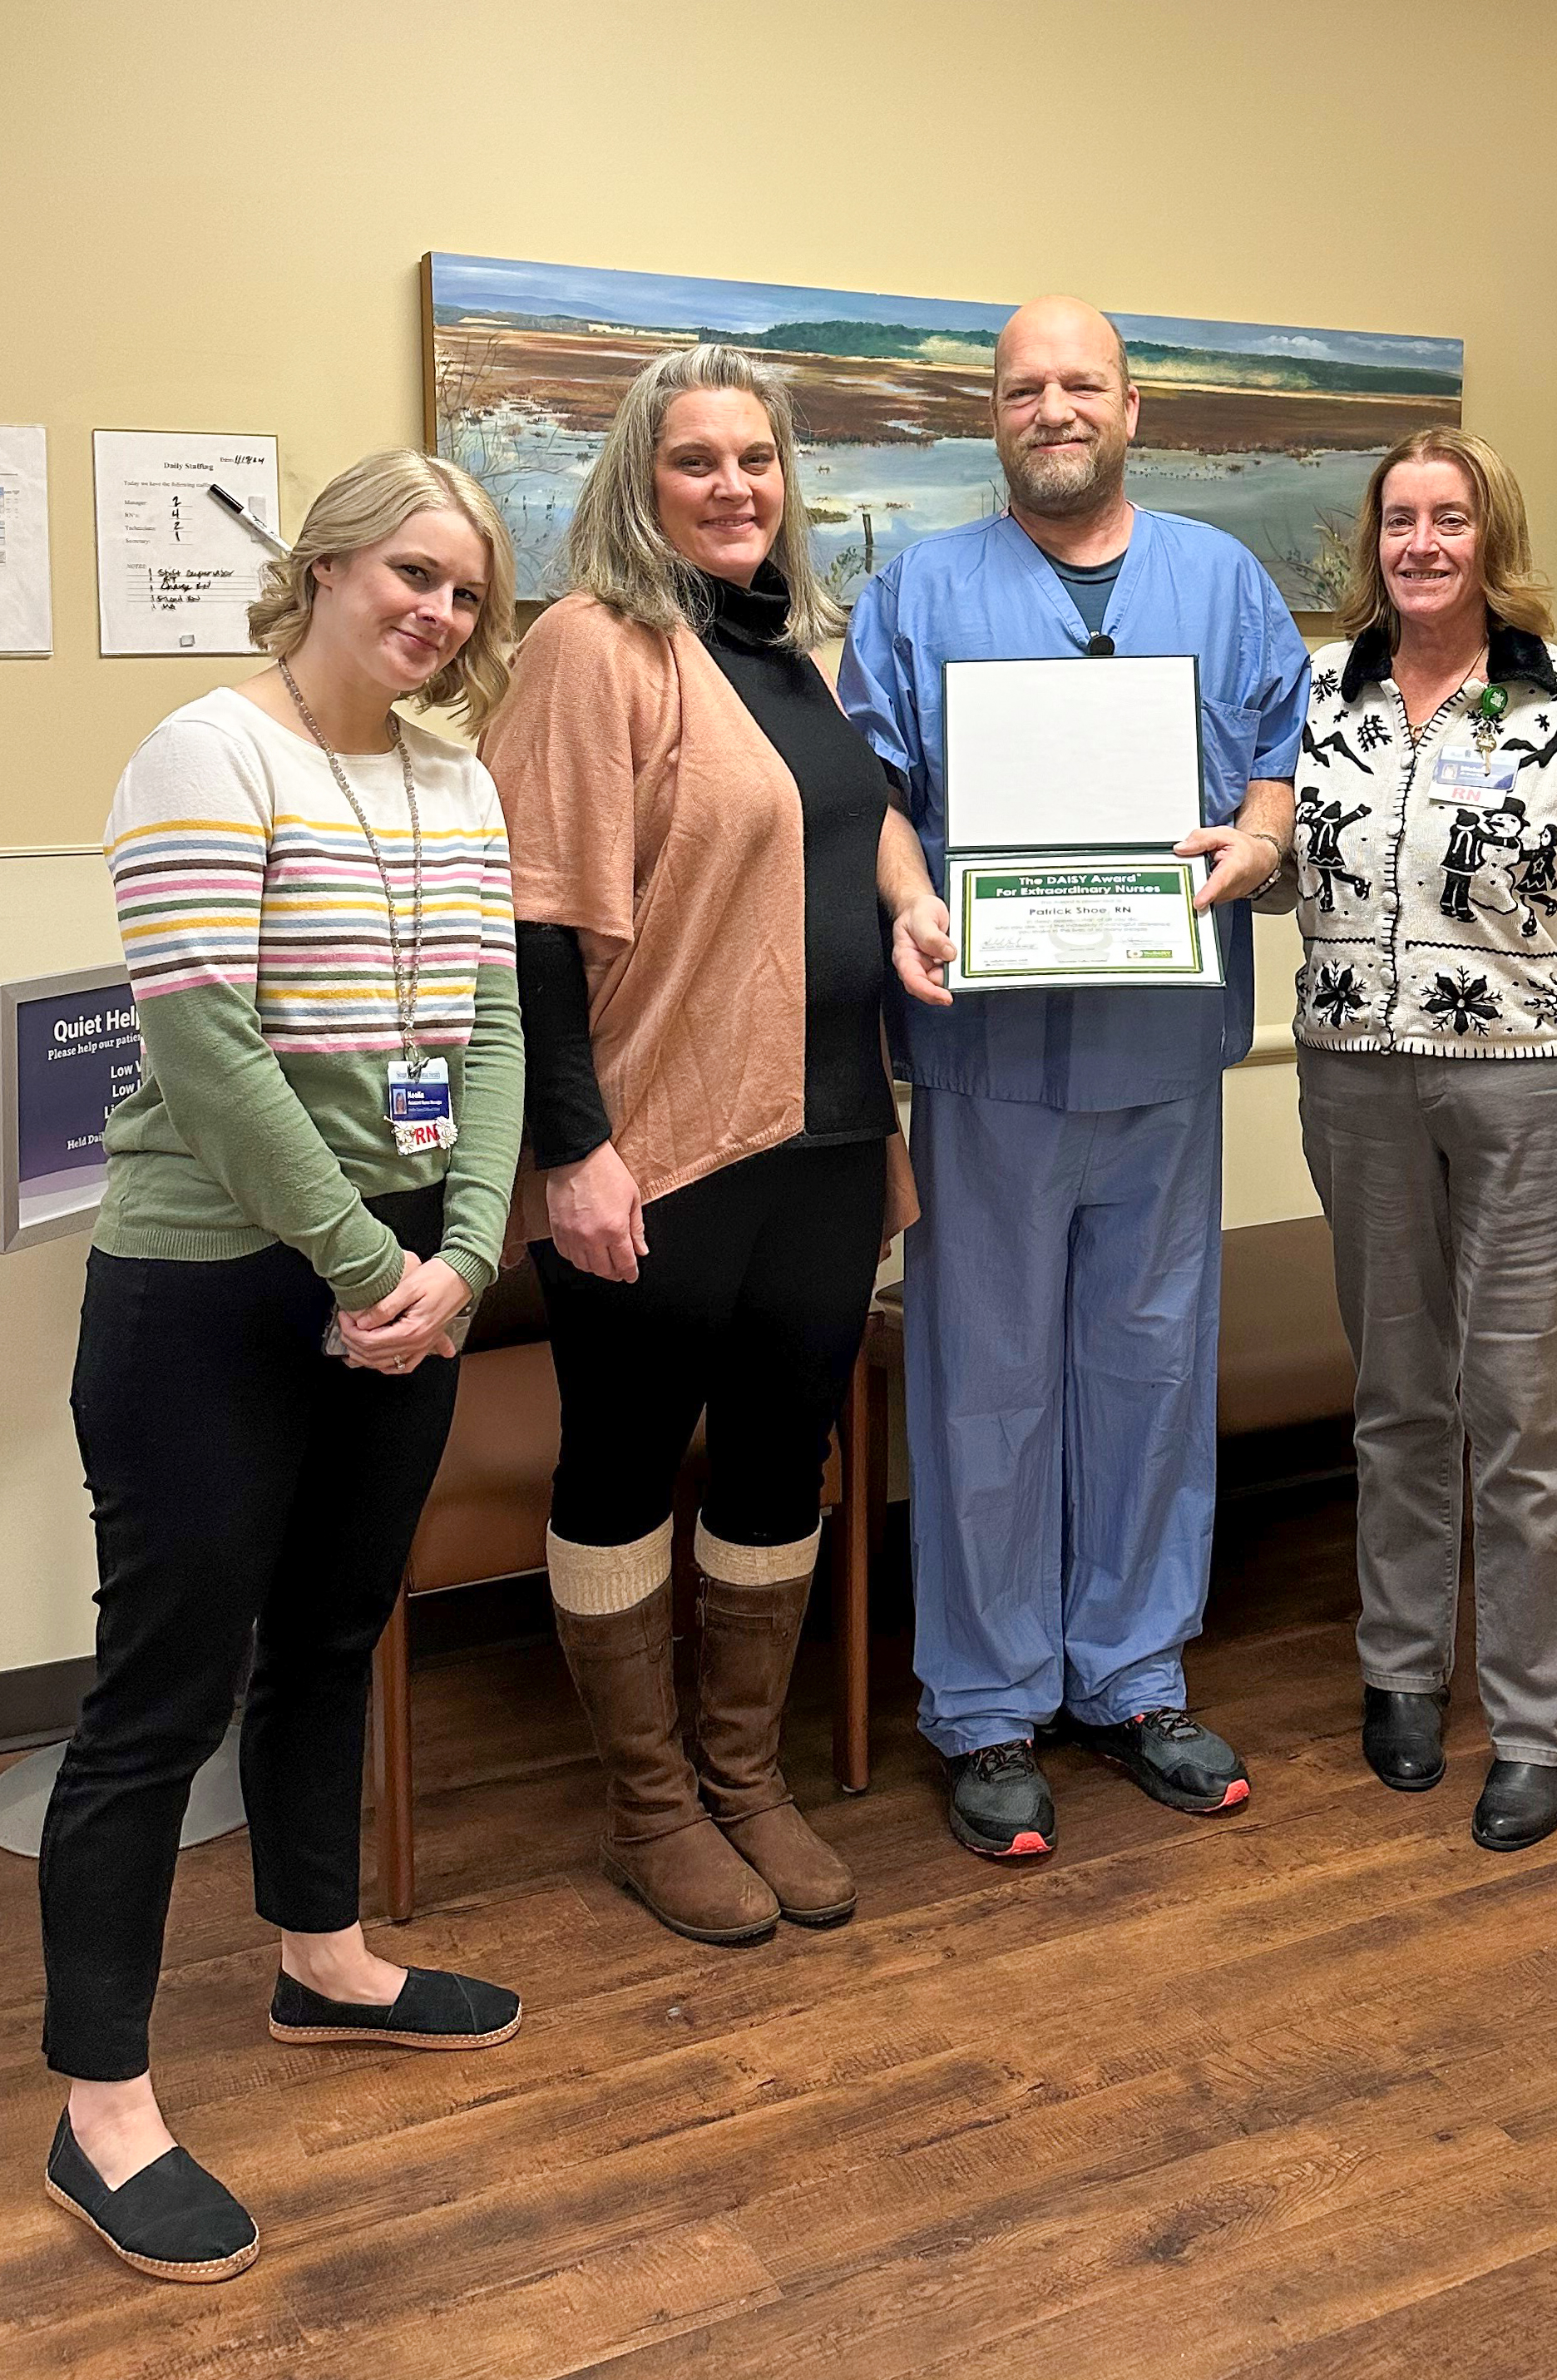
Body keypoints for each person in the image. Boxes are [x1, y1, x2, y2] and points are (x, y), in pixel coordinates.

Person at [37, 451, 527, 2282]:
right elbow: (209, 1055)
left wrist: (464, 1255)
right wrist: (368, 1259)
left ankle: (323, 1960)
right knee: (157, 1701)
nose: (437, 615)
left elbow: (485, 1031)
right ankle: (101, 2104)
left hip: (401, 1280)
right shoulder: (205, 755)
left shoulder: (454, 778)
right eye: (411, 575)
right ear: (321, 568)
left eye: (467, 594)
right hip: (213, 1294)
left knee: (333, 1634)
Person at [839, 295, 1310, 1859]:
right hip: (983, 1057)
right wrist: (907, 900)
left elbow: (1273, 768)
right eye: (1024, 385)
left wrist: (1253, 844)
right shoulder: (914, 592)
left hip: (1162, 1053)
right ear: (994, 413)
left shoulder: (1222, 581)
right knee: (984, 1383)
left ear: (1131, 405)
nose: (1054, 406)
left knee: (1151, 1365)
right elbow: (874, 797)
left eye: (1080, 382)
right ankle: (984, 1708)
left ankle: (1131, 1675)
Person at [482, 345, 920, 1948]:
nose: (734, 486)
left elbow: (846, 816)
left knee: (776, 1454)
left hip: (823, 1129)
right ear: (635, 481)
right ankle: (649, 1806)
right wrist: (574, 1149)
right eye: (696, 462)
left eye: (757, 458)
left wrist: (914, 896)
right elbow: (534, 920)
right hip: (661, 1145)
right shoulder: (592, 648)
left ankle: (744, 1778)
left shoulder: (788, 648)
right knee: (618, 1463)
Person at [1279, 425, 1557, 1850]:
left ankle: (1535, 1718)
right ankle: (1398, 1668)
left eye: (1448, 519)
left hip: (1525, 1089)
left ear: (1489, 536)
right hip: (1352, 1084)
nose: (1421, 544)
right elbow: (1267, 856)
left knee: (1518, 1416)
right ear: (1368, 543)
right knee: (1393, 1397)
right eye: (1397, 520)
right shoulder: (1320, 693)